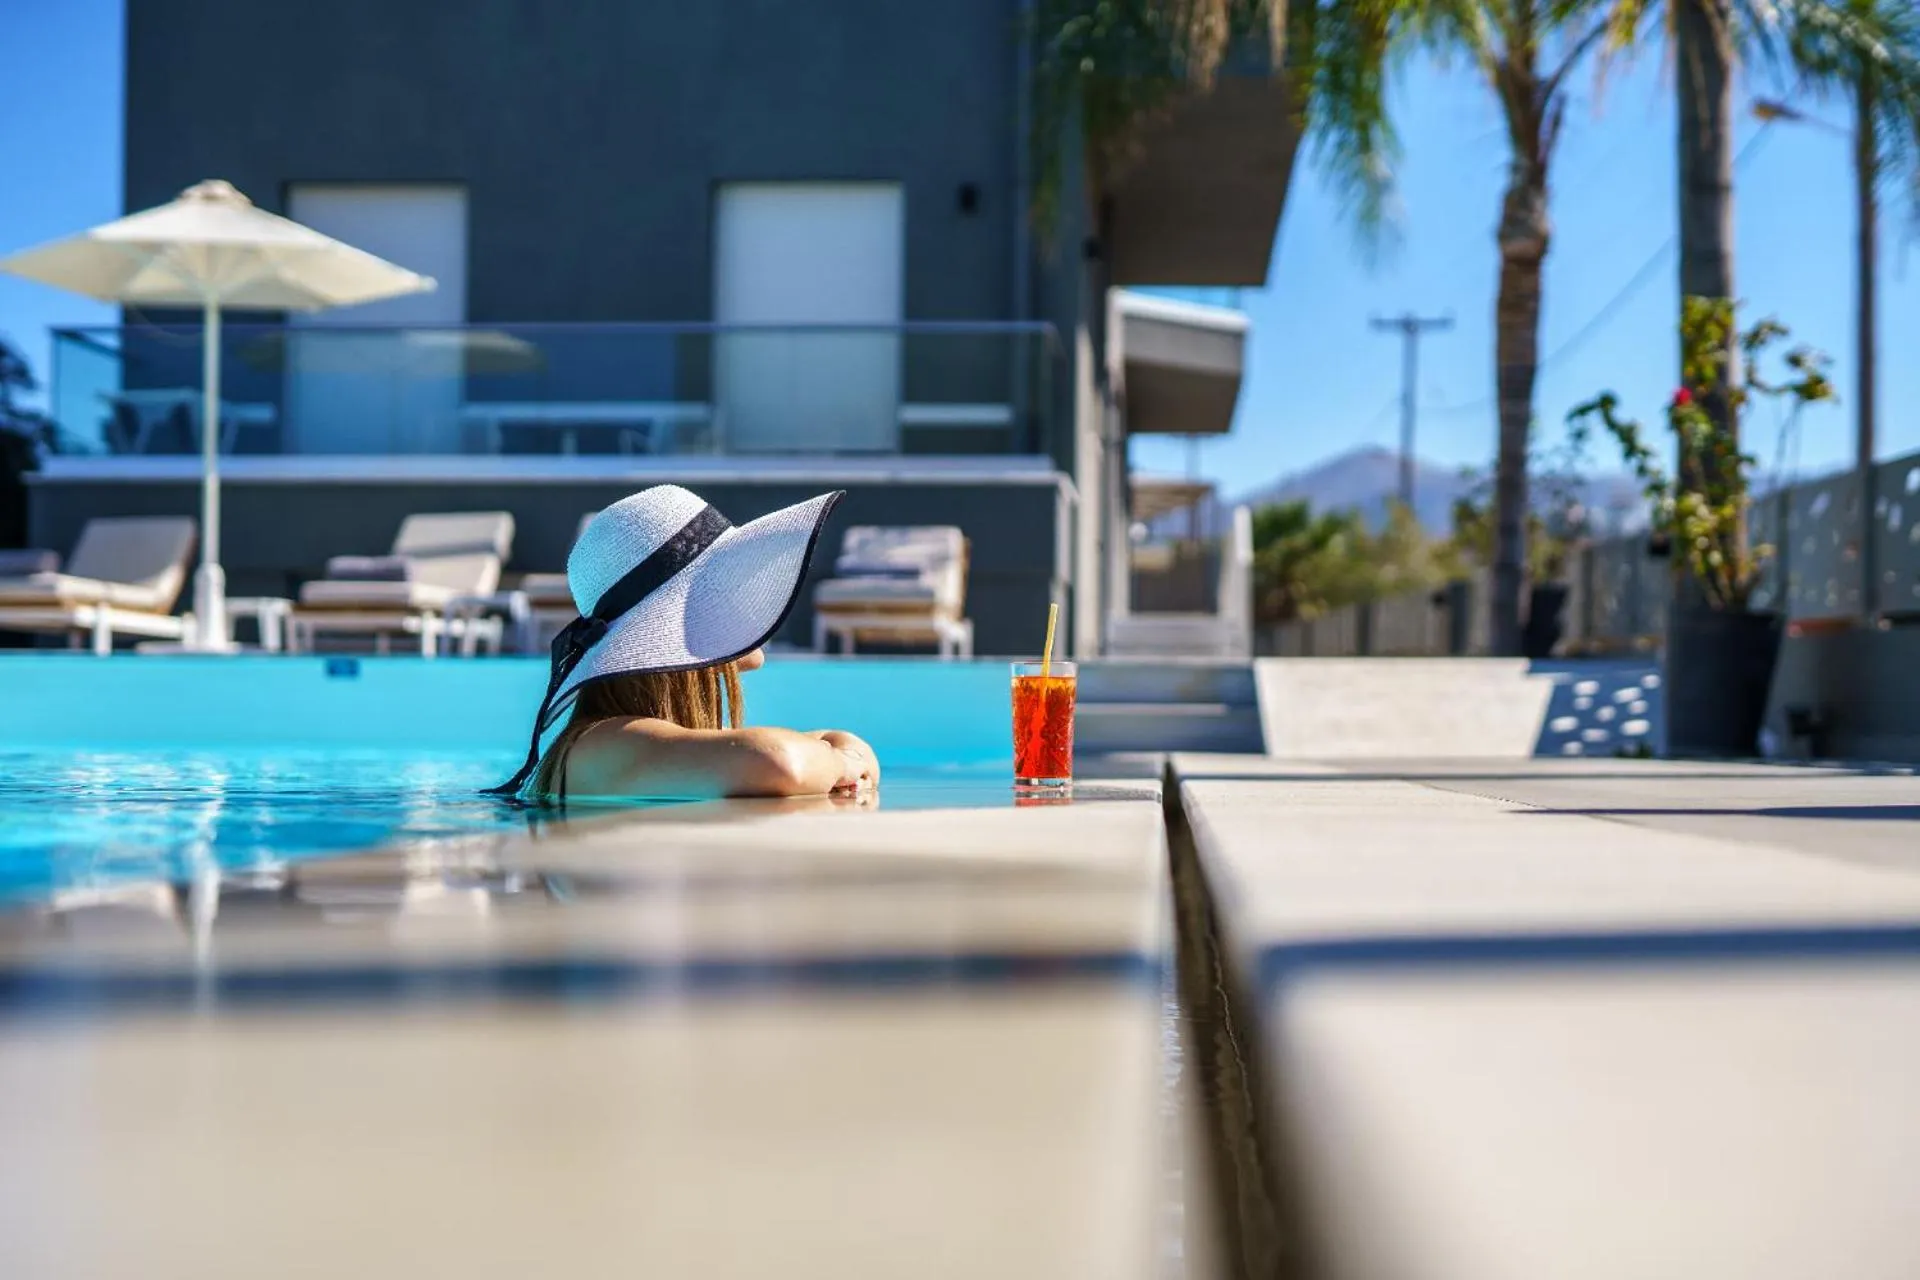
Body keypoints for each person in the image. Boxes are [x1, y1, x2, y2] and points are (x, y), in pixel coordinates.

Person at [488, 485, 880, 805]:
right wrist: (842, 762)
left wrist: (839, 756)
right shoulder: (605, 742)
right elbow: (778, 761)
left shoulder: (656, 748)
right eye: (728, 586)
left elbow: (834, 746)